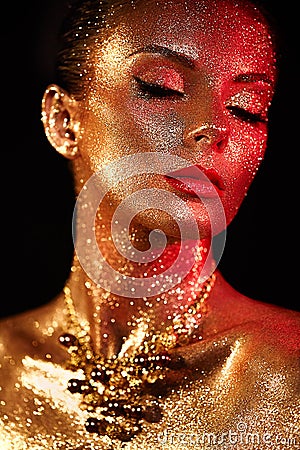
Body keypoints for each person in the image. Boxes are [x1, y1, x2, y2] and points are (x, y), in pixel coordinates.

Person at [0, 0, 299, 448]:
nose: (213, 127)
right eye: (162, 88)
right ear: (64, 122)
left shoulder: (287, 373)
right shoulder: (5, 366)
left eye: (246, 108)